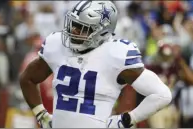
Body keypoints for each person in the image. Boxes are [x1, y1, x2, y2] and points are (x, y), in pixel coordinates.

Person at [20, 1, 172, 128]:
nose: (74, 31)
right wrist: (41, 114)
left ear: (102, 32)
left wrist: (127, 119)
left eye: (82, 28)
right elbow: (27, 79)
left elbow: (162, 95)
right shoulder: (57, 45)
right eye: (74, 24)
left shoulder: (116, 54)